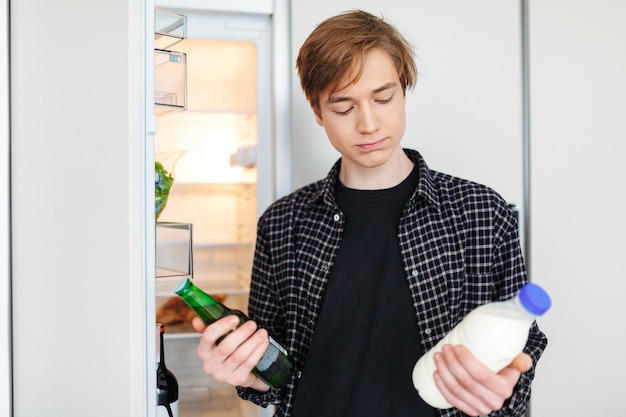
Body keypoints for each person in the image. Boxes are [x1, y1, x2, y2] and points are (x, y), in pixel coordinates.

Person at [192, 9, 547, 417]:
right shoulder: (282, 223)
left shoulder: (482, 213)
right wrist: (245, 372)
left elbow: (523, 348)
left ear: (403, 89)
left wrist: (503, 390)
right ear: (317, 110)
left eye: (383, 97)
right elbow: (274, 372)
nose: (369, 123)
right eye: (343, 107)